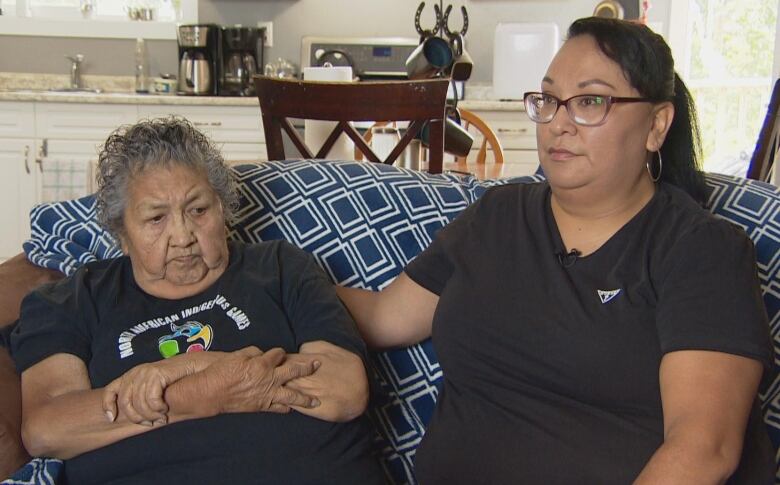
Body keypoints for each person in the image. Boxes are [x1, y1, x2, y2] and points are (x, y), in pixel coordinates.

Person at [337, 16, 775, 484]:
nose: (559, 123)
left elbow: (703, 448)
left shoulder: (699, 250)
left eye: (589, 101)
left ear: (657, 125)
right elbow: (384, 317)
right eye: (548, 100)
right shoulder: (497, 217)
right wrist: (276, 275)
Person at [10, 117, 386, 484]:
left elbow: (345, 388)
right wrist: (198, 396)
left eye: (199, 210)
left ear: (223, 208)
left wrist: (181, 370)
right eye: (156, 218)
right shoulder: (75, 299)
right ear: (122, 233)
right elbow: (48, 427)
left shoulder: (280, 267)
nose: (183, 234)